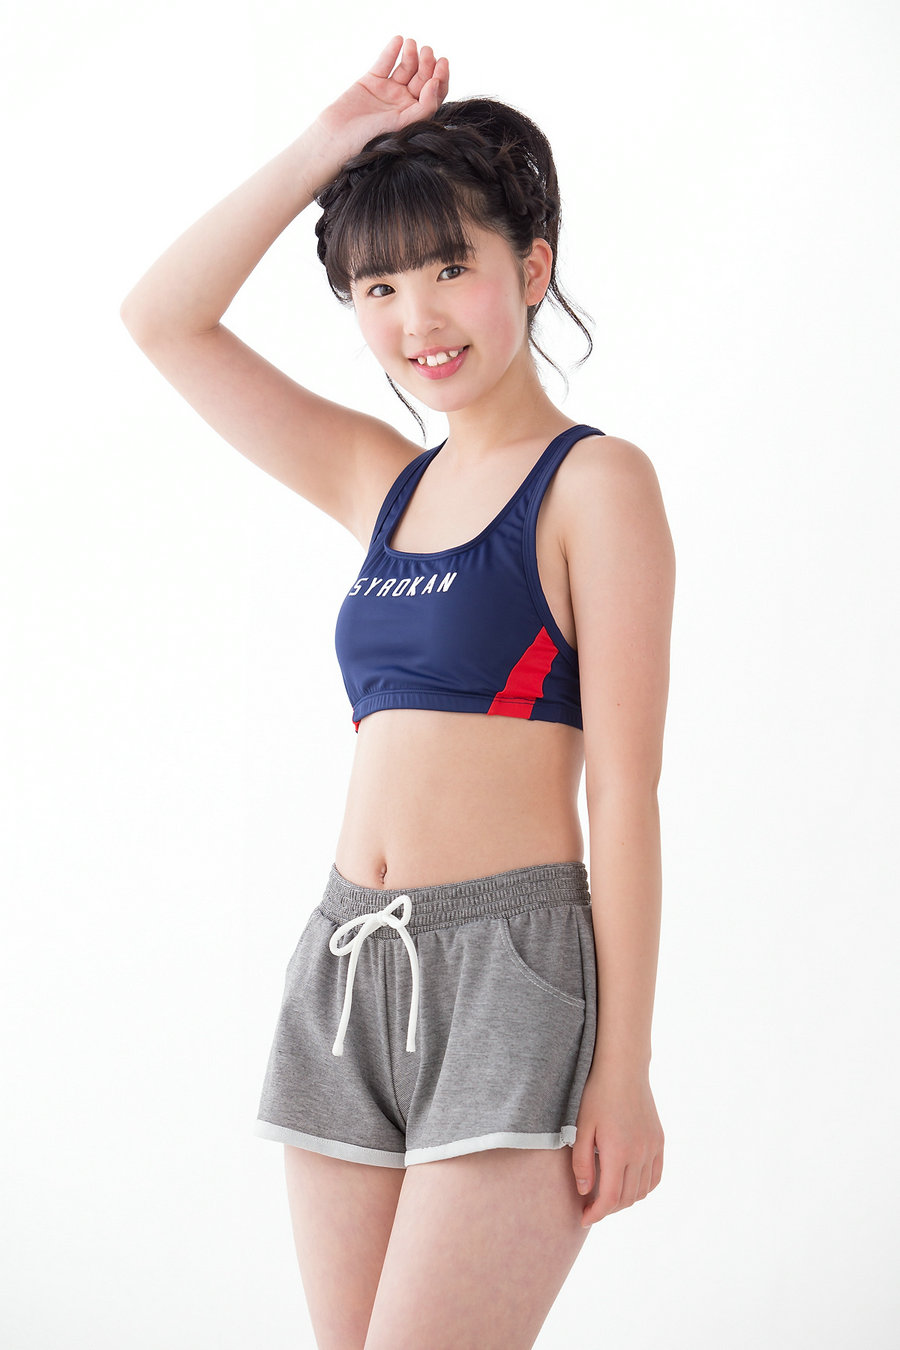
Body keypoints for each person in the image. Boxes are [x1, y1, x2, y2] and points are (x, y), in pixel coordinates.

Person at [120, 35, 675, 1350]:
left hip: (512, 972)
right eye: (378, 285)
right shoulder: (384, 480)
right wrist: (324, 149)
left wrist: (626, 1067)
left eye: (448, 267)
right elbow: (161, 319)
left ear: (530, 269)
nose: (416, 318)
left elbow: (627, 794)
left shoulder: (595, 485)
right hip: (345, 960)